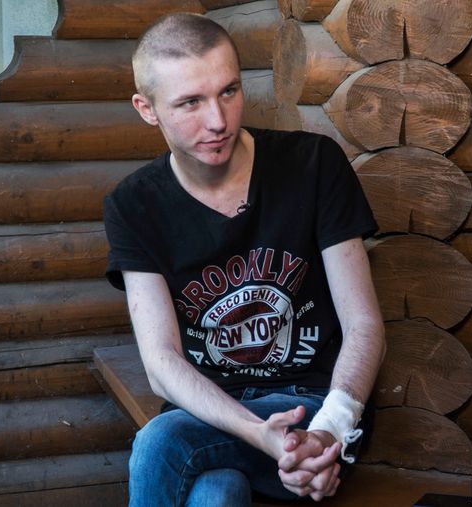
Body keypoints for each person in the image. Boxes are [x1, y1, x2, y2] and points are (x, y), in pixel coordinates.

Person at [103, 12, 385, 507]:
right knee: (216, 494)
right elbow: (161, 363)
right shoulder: (133, 204)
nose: (218, 121)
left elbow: (363, 324)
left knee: (161, 441)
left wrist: (328, 434)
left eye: (229, 91)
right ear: (146, 109)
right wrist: (259, 435)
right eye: (191, 102)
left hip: (311, 408)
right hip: (208, 411)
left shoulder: (314, 165)